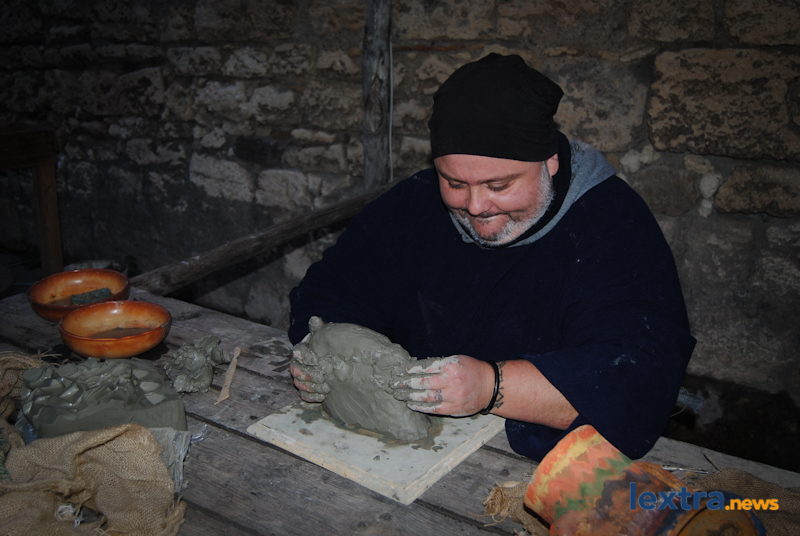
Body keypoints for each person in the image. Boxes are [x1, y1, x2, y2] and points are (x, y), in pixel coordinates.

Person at [288, 53, 695, 461]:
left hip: (529, 465)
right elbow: (335, 287)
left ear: (549, 161)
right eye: (454, 183)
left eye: (498, 186)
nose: (476, 206)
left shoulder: (613, 225)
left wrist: (490, 386)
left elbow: (637, 377)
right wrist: (320, 349)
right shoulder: (413, 204)